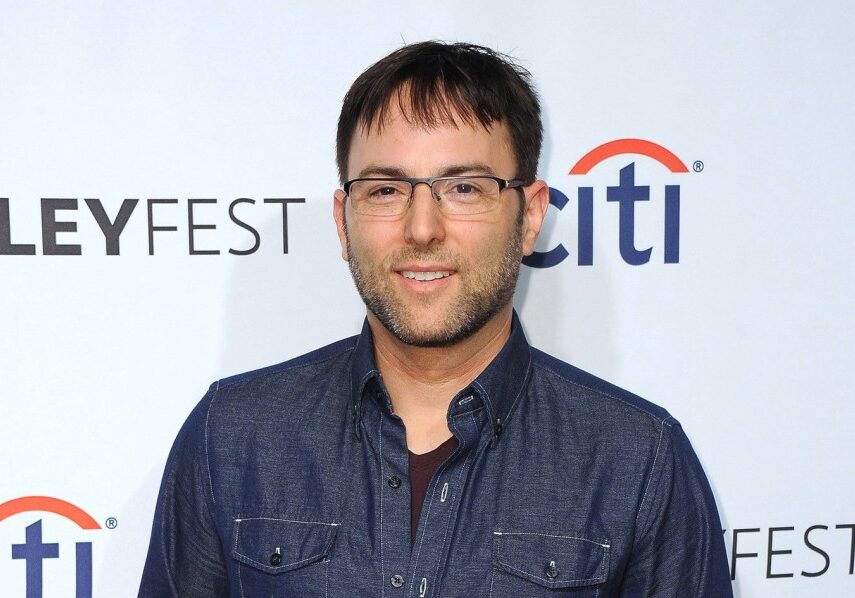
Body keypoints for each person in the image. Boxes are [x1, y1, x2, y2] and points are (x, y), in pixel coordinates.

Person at [139, 41, 732, 597]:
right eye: (386, 190)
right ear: (344, 221)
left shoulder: (639, 460)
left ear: (528, 217)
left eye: (464, 188)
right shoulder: (232, 436)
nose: (423, 228)